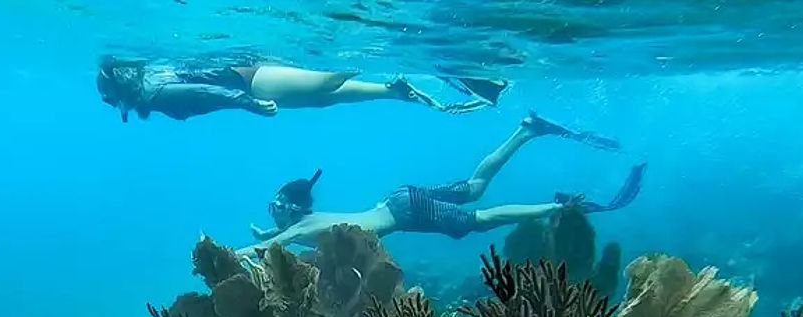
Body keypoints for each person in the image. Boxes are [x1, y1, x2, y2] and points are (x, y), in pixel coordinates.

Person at [240, 112, 645, 257]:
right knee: (474, 186)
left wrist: (231, 251)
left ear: (293, 207)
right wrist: (270, 232)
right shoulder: (303, 222)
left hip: (407, 212)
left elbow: (269, 244)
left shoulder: (298, 227)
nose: (272, 209)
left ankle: (558, 207)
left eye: (276, 205)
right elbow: (283, 234)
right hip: (400, 200)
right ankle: (527, 131)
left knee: (481, 217)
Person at [96, 57, 495, 122]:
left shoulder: (156, 94)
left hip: (254, 81)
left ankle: (435, 68)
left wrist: (250, 104)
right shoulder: (153, 87)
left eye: (107, 95)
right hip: (250, 80)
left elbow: (205, 93)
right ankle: (394, 89)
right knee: (324, 98)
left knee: (327, 81)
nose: (108, 102)